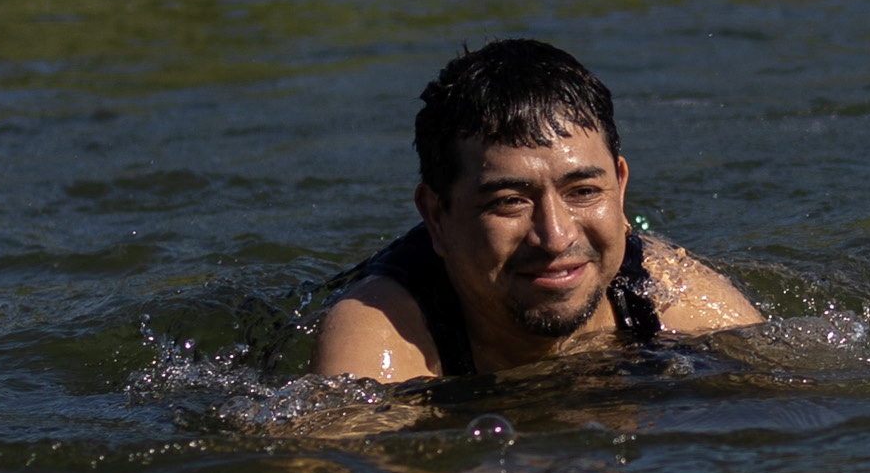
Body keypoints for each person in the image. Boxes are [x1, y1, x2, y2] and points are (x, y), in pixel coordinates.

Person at [313, 38, 759, 382]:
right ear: (436, 216)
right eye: (509, 201)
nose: (556, 236)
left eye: (583, 191)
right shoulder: (380, 328)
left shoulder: (672, 299)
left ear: (620, 189)